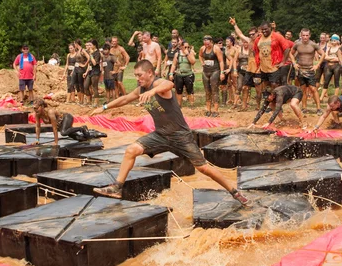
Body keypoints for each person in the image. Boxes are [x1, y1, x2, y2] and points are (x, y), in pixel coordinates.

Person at [89, 60, 250, 206]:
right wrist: (103, 108)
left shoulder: (158, 84)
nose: (137, 78)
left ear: (150, 73)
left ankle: (234, 192)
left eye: (140, 75)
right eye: (135, 75)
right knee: (131, 150)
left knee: (203, 168)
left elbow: (169, 84)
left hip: (180, 135)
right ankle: (117, 187)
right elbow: (124, 99)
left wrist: (153, 92)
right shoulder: (141, 89)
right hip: (160, 135)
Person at [290, 28, 325, 116]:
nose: (305, 37)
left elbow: (323, 54)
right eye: (303, 35)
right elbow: (291, 53)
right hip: (300, 69)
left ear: (309, 35)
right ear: (301, 35)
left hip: (310, 69)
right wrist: (294, 63)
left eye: (307, 35)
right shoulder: (297, 44)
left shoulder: (313, 45)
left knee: (313, 89)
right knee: (303, 89)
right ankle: (304, 108)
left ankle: (318, 108)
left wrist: (317, 65)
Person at [230, 20, 260, 111]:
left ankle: (258, 106)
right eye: (250, 34)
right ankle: (243, 106)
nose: (251, 36)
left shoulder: (261, 41)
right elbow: (240, 34)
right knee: (245, 87)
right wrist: (235, 25)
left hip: (258, 67)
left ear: (257, 33)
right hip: (249, 68)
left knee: (258, 89)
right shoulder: (249, 41)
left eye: (253, 34)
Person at [199, 35, 225, 117]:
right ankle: (208, 109)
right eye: (205, 43)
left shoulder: (216, 48)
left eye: (208, 43)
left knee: (214, 90)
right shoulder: (203, 48)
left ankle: (216, 110)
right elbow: (200, 55)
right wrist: (202, 62)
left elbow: (221, 61)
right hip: (206, 71)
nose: (206, 45)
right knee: (207, 91)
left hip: (215, 71)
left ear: (211, 42)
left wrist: (222, 73)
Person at [170, 40, 196, 107]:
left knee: (190, 90)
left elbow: (193, 62)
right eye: (185, 47)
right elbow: (173, 65)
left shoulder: (190, 53)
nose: (186, 48)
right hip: (179, 75)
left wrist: (187, 53)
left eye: (188, 47)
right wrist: (171, 73)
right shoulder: (177, 54)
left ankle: (192, 105)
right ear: (181, 47)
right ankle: (179, 105)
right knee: (179, 90)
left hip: (188, 74)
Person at [320, 34, 342, 102]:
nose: (333, 42)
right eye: (332, 40)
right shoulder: (329, 48)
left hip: (336, 66)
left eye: (334, 40)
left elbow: (339, 59)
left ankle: (335, 98)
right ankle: (321, 98)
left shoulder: (340, 48)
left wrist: (331, 58)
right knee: (326, 82)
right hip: (329, 66)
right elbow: (326, 57)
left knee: (336, 82)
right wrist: (334, 58)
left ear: (338, 41)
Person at [83, 39, 101, 108]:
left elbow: (94, 63)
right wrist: (86, 72)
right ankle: (89, 101)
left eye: (90, 45)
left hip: (95, 72)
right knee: (85, 86)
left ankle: (96, 102)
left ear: (94, 45)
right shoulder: (92, 53)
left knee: (94, 87)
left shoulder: (97, 53)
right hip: (90, 71)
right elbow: (90, 64)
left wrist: (91, 55)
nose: (89, 46)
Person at [71, 39, 90, 105]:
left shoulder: (82, 51)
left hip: (81, 69)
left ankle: (82, 100)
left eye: (74, 44)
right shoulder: (76, 50)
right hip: (76, 69)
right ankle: (80, 100)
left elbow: (89, 57)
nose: (74, 45)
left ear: (77, 44)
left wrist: (84, 65)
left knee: (80, 84)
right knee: (74, 84)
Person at [233, 38, 250, 108]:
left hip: (249, 71)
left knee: (246, 87)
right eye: (244, 42)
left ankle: (246, 103)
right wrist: (234, 70)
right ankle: (235, 103)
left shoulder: (251, 50)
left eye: (247, 42)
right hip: (240, 70)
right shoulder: (239, 50)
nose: (245, 44)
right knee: (239, 86)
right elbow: (234, 60)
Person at [224, 36, 239, 107]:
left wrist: (233, 69)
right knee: (229, 84)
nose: (226, 43)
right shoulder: (225, 49)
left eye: (227, 41)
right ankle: (231, 98)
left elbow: (234, 60)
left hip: (233, 67)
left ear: (231, 42)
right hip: (227, 67)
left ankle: (237, 99)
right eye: (226, 41)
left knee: (235, 84)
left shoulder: (235, 49)